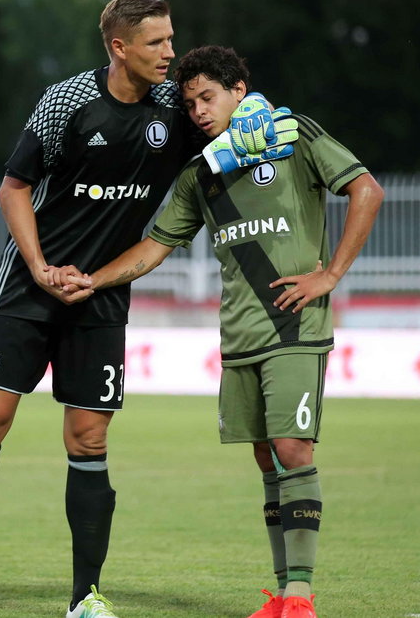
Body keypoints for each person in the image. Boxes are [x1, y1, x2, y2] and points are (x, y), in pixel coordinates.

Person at [0, 0, 282, 618]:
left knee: (88, 441)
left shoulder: (178, 109)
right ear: (119, 47)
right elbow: (14, 188)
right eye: (158, 42)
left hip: (101, 297)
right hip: (30, 289)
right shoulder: (67, 103)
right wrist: (38, 267)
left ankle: (85, 597)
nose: (171, 53)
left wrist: (263, 114)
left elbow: (239, 103)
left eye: (172, 39)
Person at [53, 45, 384, 618]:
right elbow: (153, 248)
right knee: (264, 459)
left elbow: (366, 190)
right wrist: (93, 280)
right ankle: (281, 595)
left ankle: (301, 597)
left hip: (294, 324)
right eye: (190, 103)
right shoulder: (200, 175)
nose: (199, 111)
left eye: (209, 97)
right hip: (238, 335)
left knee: (292, 448)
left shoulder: (293, 137)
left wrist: (329, 275)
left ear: (239, 89)